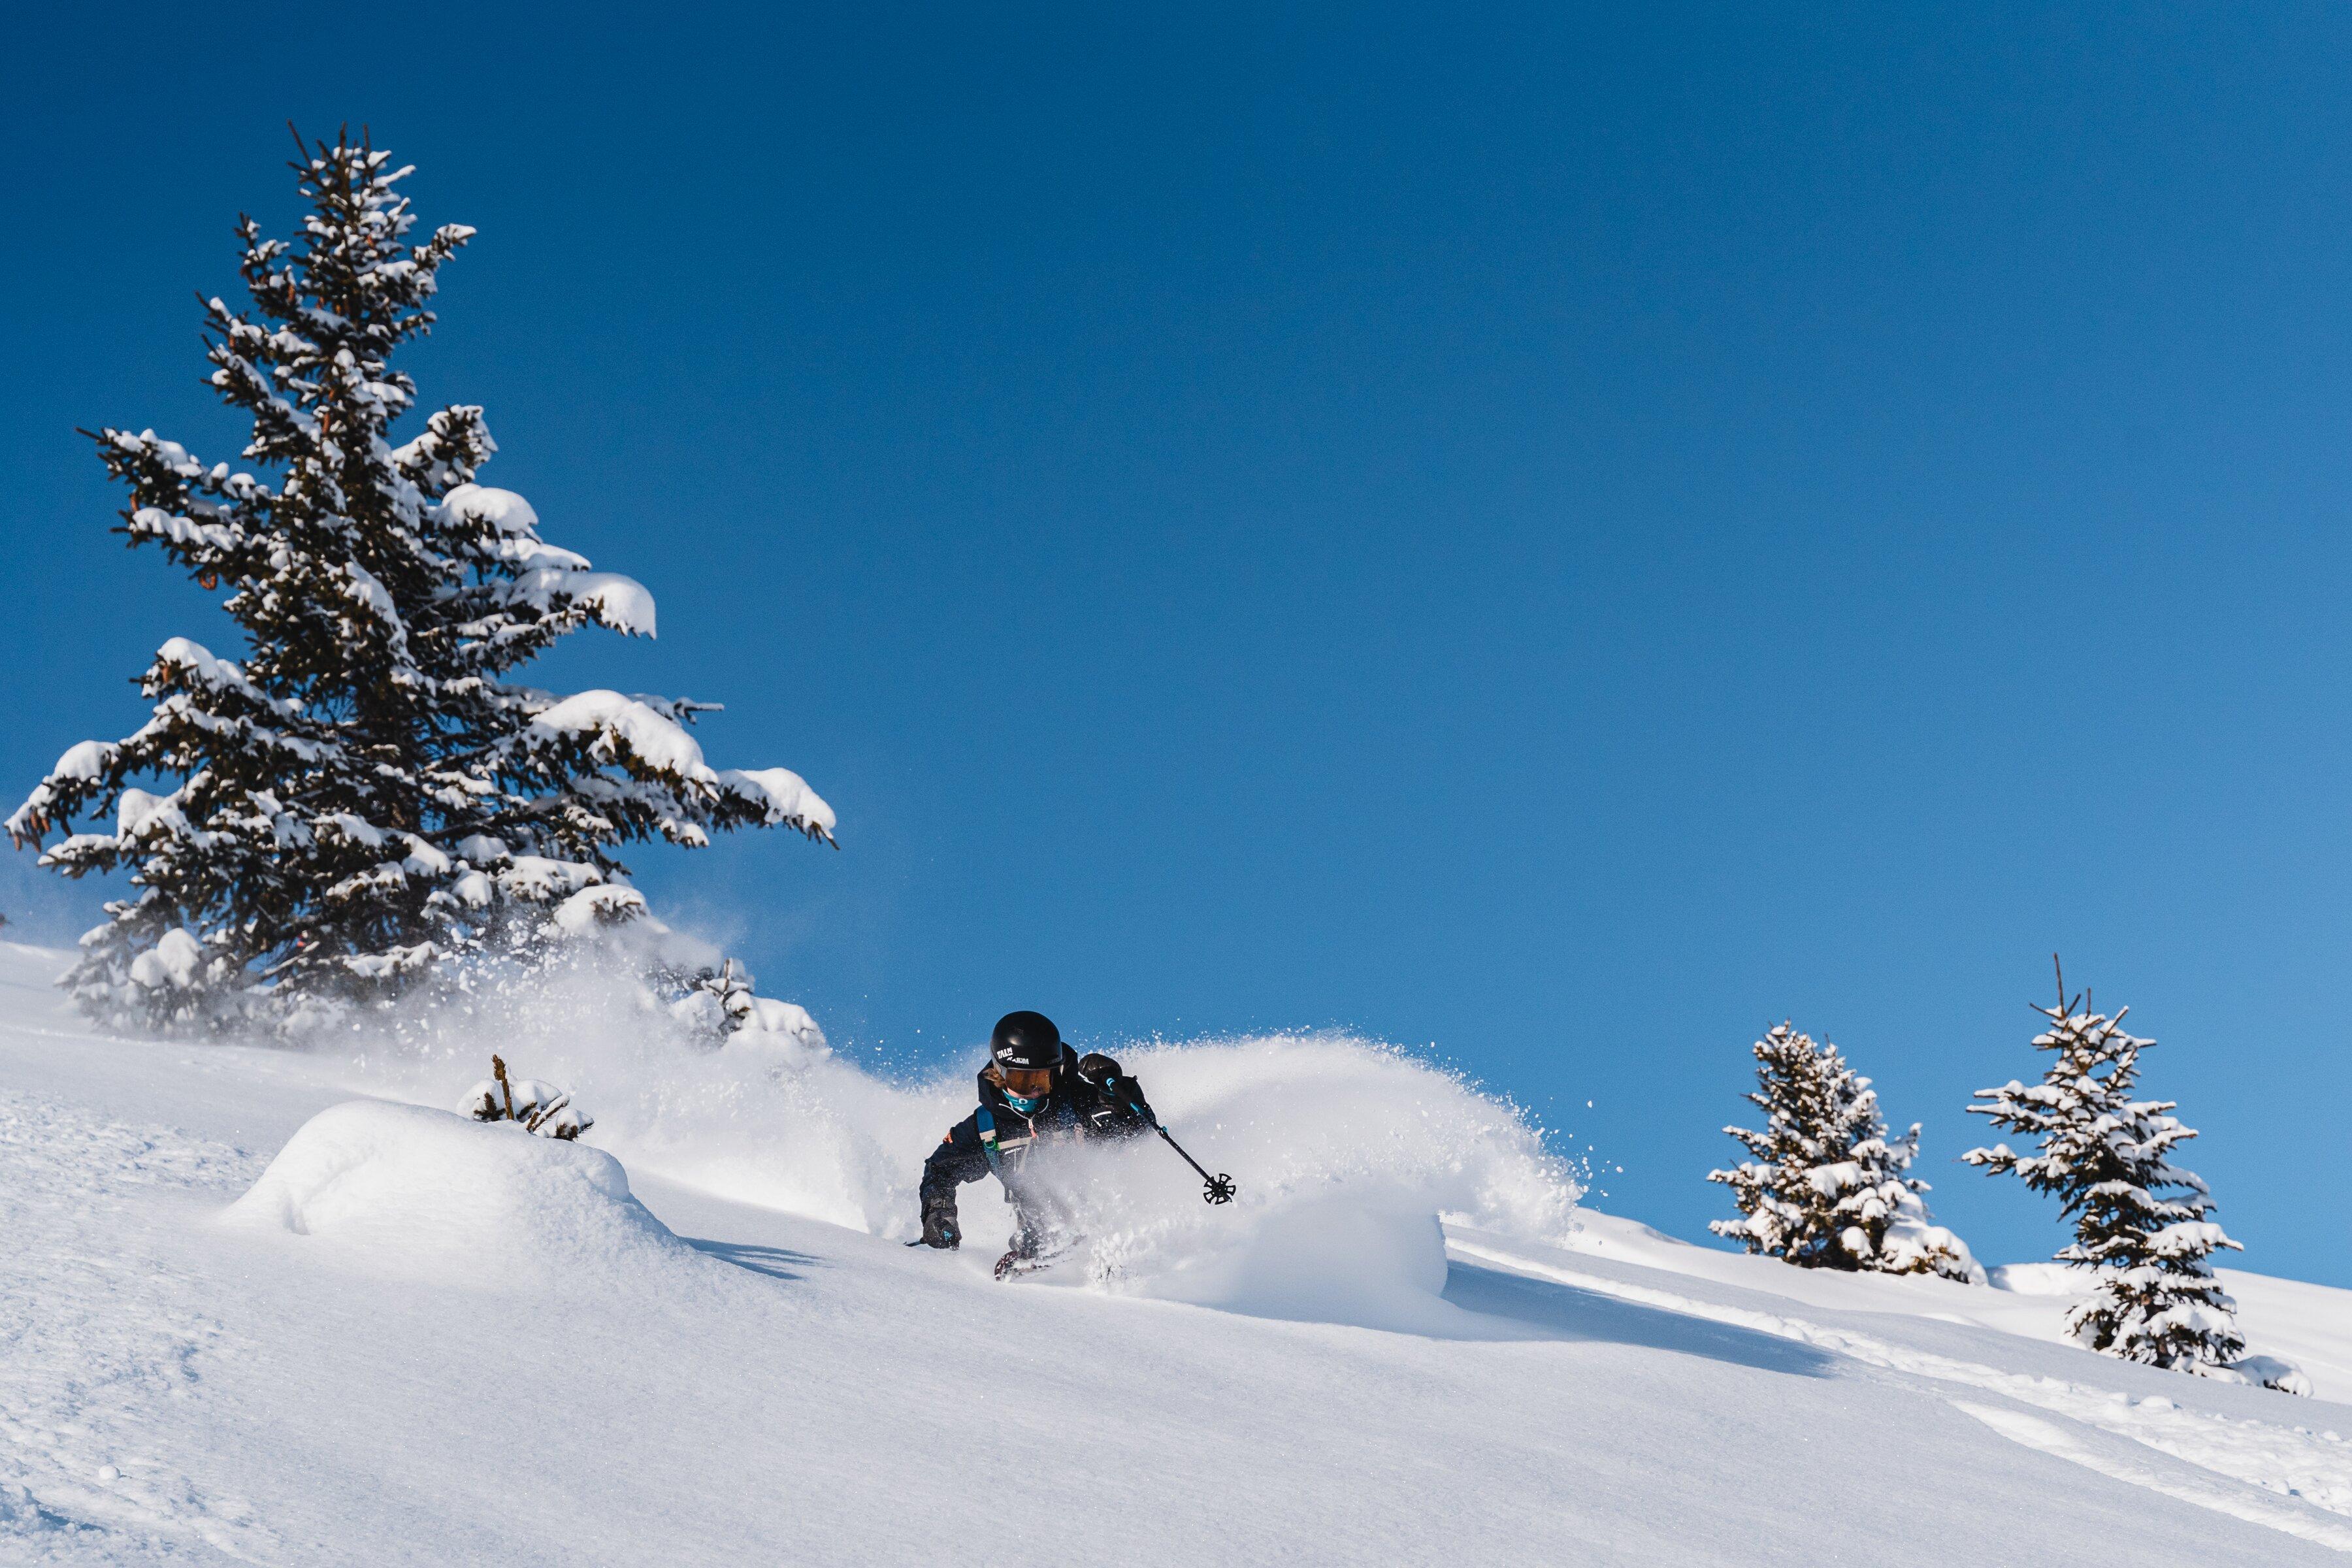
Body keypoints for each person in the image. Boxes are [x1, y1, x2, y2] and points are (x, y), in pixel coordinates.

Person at [919, 1010, 1154, 1277]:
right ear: (1000, 1074)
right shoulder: (987, 1126)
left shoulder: (1077, 1102)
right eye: (1022, 1080)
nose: (1034, 1091)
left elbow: (1139, 1132)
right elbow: (940, 1168)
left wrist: (1119, 1095)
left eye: (1042, 1080)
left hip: (1106, 1233)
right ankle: (1034, 1263)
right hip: (1038, 1243)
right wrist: (939, 1212)